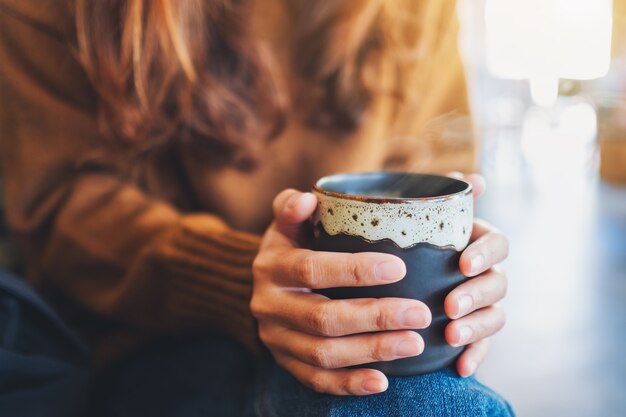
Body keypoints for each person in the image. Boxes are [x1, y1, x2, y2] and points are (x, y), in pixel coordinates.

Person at [0, 0, 513, 415]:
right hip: (150, 339)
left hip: (379, 336)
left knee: (427, 396)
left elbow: (442, 157)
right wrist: (242, 279)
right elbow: (58, 204)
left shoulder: (416, 10)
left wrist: (462, 274)